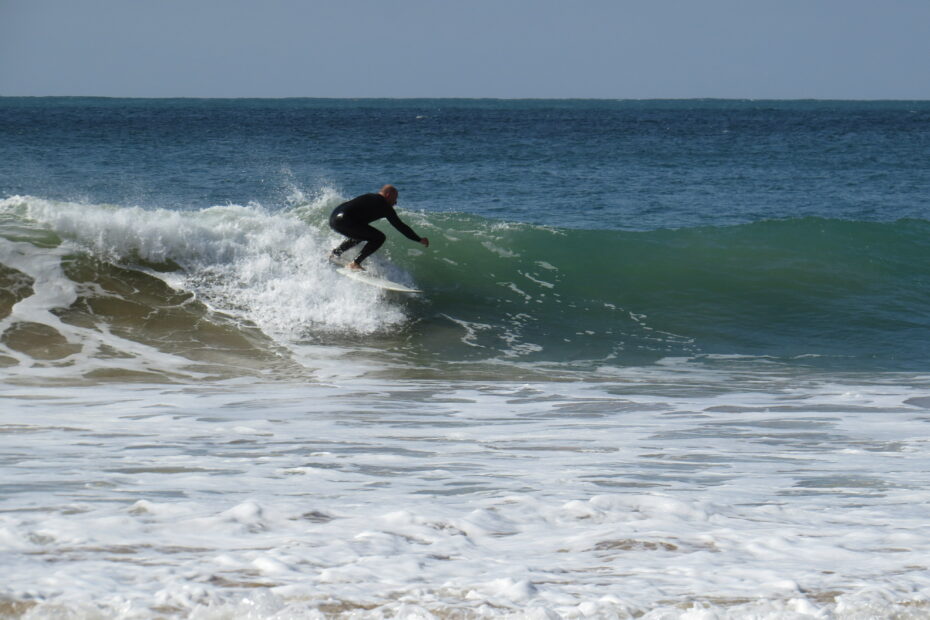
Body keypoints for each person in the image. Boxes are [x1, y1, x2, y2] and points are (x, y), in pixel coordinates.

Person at [328, 185, 429, 270]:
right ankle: (355, 263)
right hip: (345, 220)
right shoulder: (384, 205)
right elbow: (400, 226)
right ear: (388, 195)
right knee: (379, 237)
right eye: (395, 199)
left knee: (361, 235)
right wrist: (419, 239)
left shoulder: (370, 196)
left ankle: (335, 253)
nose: (395, 202)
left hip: (334, 219)